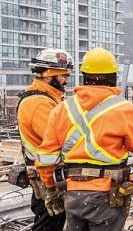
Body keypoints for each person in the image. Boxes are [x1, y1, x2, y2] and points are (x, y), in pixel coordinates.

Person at [35, 47, 133, 231]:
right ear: (113, 77)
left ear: (84, 77)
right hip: (107, 196)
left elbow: (46, 157)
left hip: (73, 194)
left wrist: (50, 189)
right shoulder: (123, 109)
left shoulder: (62, 109)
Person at [17, 48, 73, 231]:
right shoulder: (39, 103)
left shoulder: (49, 98)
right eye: (63, 75)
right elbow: (62, 139)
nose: (67, 79)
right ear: (49, 75)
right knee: (48, 224)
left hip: (49, 175)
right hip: (46, 178)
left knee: (53, 222)